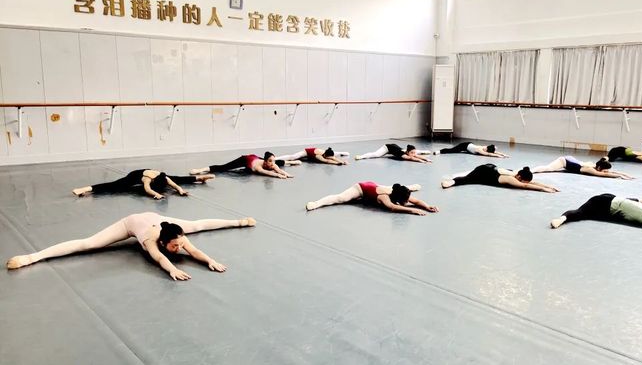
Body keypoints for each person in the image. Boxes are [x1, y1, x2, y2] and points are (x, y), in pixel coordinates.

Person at [6, 212, 258, 280]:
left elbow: (194, 251)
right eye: (175, 247)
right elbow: (160, 259)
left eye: (179, 244)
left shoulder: (177, 235)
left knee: (196, 225)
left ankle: (238, 221)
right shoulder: (151, 241)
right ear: (163, 242)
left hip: (156, 218)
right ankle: (32, 257)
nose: (179, 249)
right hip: (133, 223)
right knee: (88, 243)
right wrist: (172, 269)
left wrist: (210, 260)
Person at [306, 182, 438, 215]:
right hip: (362, 188)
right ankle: (316, 203)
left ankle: (411, 186)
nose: (409, 201)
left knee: (388, 187)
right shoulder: (384, 197)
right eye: (406, 200)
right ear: (398, 197)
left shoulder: (398, 193)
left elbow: (416, 201)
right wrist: (413, 210)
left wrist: (427, 206)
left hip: (376, 186)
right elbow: (392, 207)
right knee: (341, 198)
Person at [72, 169, 215, 200]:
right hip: (135, 175)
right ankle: (85, 189)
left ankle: (199, 178)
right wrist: (156, 194)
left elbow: (174, 184)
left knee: (177, 178)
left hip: (153, 175)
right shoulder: (147, 179)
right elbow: (147, 189)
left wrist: (180, 191)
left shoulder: (164, 177)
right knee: (115, 185)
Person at [441, 164, 559, 193]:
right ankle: (451, 182)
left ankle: (452, 181)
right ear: (519, 177)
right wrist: (543, 190)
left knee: (468, 179)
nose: (524, 182)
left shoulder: (516, 174)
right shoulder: (511, 178)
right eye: (523, 180)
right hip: (483, 172)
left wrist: (549, 186)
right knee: (467, 179)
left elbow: (531, 182)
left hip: (490, 168)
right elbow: (525, 185)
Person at [190, 152, 296, 179]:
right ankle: (200, 169)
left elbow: (279, 170)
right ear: (265, 162)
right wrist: (278, 176)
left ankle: (290, 162)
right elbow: (268, 173)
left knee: (278, 163)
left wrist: (287, 174)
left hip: (256, 158)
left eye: (273, 161)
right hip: (246, 160)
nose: (273, 164)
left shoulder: (272, 164)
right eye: (270, 161)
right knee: (224, 168)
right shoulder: (258, 167)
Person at [532, 156, 633, 180]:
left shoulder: (595, 166)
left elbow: (607, 172)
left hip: (572, 160)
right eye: (605, 169)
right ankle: (532, 170)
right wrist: (619, 176)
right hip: (564, 161)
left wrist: (624, 174)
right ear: (599, 167)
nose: (606, 171)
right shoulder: (590, 169)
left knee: (549, 168)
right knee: (549, 168)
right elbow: (602, 174)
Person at [355, 144, 432, 163]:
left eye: (414, 152)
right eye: (412, 152)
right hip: (387, 148)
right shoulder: (403, 155)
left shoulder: (409, 152)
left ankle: (425, 151)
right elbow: (412, 158)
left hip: (395, 147)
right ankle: (361, 156)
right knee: (376, 155)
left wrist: (427, 159)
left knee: (417, 152)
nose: (413, 154)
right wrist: (421, 161)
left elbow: (416, 155)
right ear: (407, 152)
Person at [276, 147, 349, 165]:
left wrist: (342, 162)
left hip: (315, 154)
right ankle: (276, 158)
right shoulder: (319, 156)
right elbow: (327, 161)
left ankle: (343, 153)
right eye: (329, 157)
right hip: (306, 152)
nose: (331, 158)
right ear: (325, 155)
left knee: (335, 154)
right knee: (293, 157)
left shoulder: (325, 152)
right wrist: (337, 163)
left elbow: (332, 157)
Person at [437, 142, 509, 158]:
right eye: (486, 148)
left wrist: (503, 154)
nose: (485, 148)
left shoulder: (486, 149)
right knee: (452, 150)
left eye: (486, 149)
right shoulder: (480, 150)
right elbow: (489, 154)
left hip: (470, 145)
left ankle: (440, 151)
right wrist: (498, 156)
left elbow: (494, 151)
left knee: (454, 150)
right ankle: (439, 151)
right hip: (464, 146)